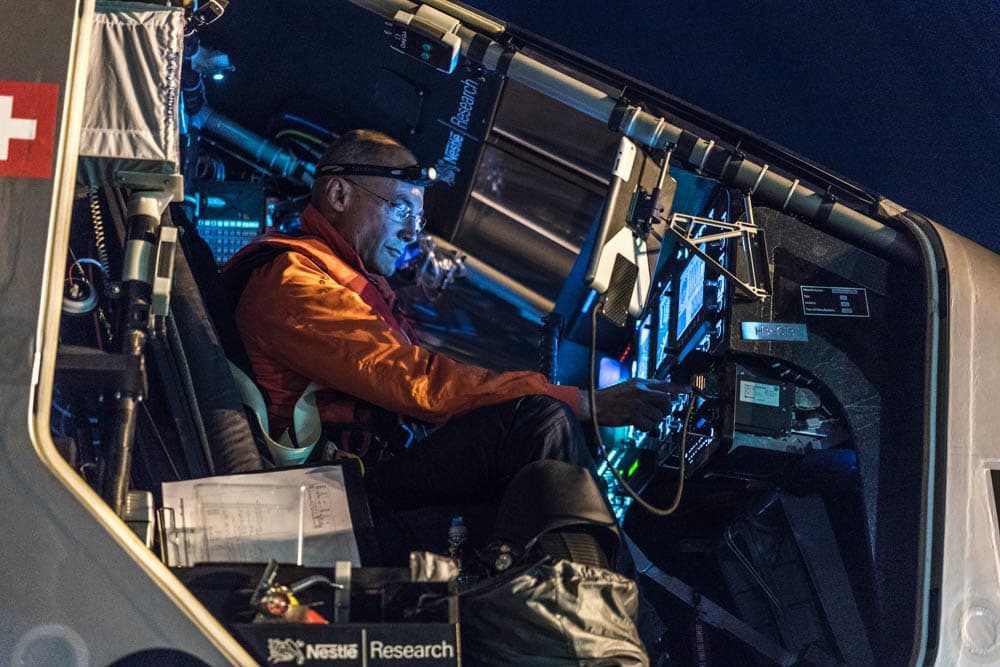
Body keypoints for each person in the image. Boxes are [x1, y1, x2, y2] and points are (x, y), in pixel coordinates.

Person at [224, 128, 684, 525]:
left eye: (417, 217)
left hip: (366, 476)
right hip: (339, 496)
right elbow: (419, 384)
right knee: (540, 422)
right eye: (401, 210)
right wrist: (583, 401)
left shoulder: (344, 280)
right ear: (339, 195)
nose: (413, 232)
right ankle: (606, 601)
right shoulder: (294, 283)